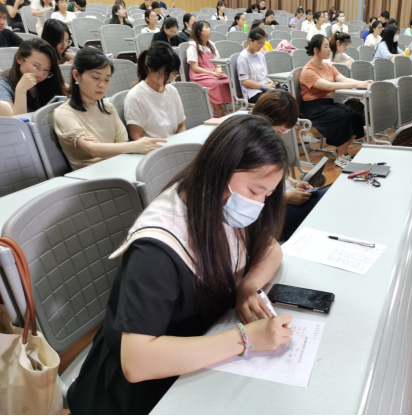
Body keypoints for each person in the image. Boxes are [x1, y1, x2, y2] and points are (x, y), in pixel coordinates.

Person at [66, 114, 293, 416]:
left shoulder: (218, 204)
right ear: (219, 171)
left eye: (268, 194)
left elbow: (271, 248)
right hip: (139, 388)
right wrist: (246, 339)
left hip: (195, 351)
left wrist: (248, 286)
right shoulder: (157, 249)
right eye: (254, 191)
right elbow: (137, 363)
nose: (259, 204)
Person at [54, 48, 165, 171]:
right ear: (76, 75)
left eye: (107, 80)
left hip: (118, 167)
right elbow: (93, 149)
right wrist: (136, 146)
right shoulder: (64, 113)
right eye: (96, 78)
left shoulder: (108, 108)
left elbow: (121, 144)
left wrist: (127, 148)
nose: (102, 85)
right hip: (91, 175)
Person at [251, 89, 329, 241]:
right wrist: (285, 198)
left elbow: (280, 175)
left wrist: (295, 183)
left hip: (285, 201)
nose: (280, 137)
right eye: (279, 132)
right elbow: (249, 199)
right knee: (325, 199)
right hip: (273, 217)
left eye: (284, 132)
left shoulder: (267, 143)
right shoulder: (253, 149)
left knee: (327, 194)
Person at [300, 35, 371, 168]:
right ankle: (342, 156)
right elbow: (329, 86)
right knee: (343, 118)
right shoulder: (308, 70)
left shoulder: (328, 66)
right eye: (326, 46)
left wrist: (362, 83)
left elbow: (344, 79)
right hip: (313, 107)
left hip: (327, 103)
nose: (329, 49)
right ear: (316, 50)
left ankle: (341, 151)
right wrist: (356, 84)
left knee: (355, 116)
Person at [125, 42, 185, 141]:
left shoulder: (172, 91)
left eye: (174, 73)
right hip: (153, 148)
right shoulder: (135, 96)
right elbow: (137, 137)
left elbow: (181, 126)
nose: (170, 78)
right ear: (151, 69)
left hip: (175, 145)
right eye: (166, 73)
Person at [0, 39, 66, 117]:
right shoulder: (3, 86)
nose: (41, 75)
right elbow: (15, 122)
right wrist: (21, 90)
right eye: (36, 67)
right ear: (19, 58)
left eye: (46, 70)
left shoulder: (48, 80)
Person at [188, 20, 231, 117]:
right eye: (206, 28)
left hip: (213, 73)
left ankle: (222, 107)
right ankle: (218, 109)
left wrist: (218, 70)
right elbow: (195, 68)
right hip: (199, 75)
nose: (209, 30)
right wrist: (212, 73)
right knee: (215, 83)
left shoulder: (211, 45)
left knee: (228, 80)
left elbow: (217, 62)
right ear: (199, 31)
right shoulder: (192, 47)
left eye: (209, 27)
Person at [237, 27, 274, 104]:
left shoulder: (261, 56)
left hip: (265, 89)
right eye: (259, 43)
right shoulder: (243, 57)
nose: (261, 46)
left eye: (263, 43)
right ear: (250, 40)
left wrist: (271, 83)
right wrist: (264, 86)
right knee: (276, 100)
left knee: (286, 94)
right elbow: (245, 81)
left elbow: (265, 76)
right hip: (253, 93)